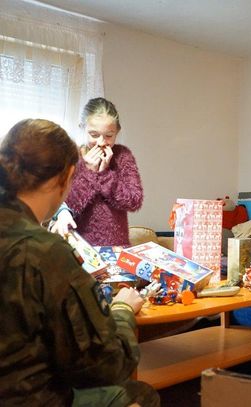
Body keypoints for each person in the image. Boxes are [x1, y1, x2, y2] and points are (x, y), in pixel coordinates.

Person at [0, 119, 159, 406]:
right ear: (67, 176)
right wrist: (123, 310)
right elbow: (105, 364)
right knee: (140, 394)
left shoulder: (123, 158)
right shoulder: (45, 252)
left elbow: (131, 198)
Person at [51, 97, 143, 246]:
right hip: (79, 247)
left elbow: (134, 201)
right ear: (82, 127)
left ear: (117, 132)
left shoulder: (122, 156)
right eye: (94, 135)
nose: (101, 142)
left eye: (108, 136)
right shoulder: (72, 157)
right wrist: (90, 172)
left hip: (117, 247)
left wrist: (105, 174)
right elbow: (65, 205)